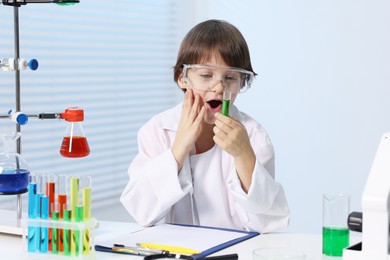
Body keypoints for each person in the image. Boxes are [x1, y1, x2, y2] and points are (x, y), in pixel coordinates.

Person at [120, 19, 289, 233]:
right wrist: (179, 147)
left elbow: (268, 222)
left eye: (230, 77)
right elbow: (141, 211)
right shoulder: (158, 130)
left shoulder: (253, 135)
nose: (218, 88)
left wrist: (243, 154)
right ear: (183, 78)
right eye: (206, 75)